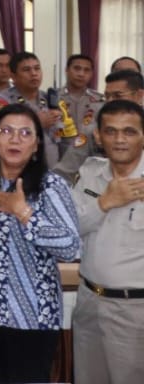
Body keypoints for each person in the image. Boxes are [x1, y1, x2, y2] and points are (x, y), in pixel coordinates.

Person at [0, 103, 82, 383]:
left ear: (36, 144)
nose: (15, 139)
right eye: (6, 131)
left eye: (25, 133)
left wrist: (24, 213)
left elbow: (71, 246)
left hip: (32, 316)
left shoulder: (51, 186)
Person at [71, 99, 144, 384]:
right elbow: (70, 229)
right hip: (89, 302)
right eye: (111, 131)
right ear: (99, 136)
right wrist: (104, 203)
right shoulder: (90, 171)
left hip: (134, 310)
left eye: (129, 132)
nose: (120, 139)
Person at [0, 52, 65, 167]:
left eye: (37, 68)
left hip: (52, 170)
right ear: (13, 76)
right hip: (18, 170)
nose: (34, 74)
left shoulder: (50, 100)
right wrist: (36, 123)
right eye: (26, 70)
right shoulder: (3, 102)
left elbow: (63, 138)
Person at [51, 55, 106, 181]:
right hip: (60, 160)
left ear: (92, 73)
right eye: (77, 68)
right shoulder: (53, 98)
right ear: (67, 70)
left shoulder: (100, 100)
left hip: (91, 162)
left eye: (87, 70)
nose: (81, 74)